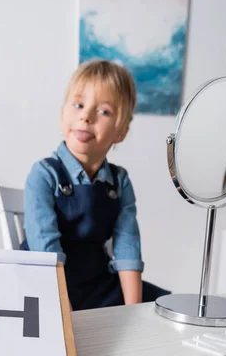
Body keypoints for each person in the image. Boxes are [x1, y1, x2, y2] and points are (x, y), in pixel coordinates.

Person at [21, 59, 169, 311]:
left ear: (120, 132)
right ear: (62, 116)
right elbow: (46, 252)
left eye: (103, 111)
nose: (85, 116)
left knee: (164, 305)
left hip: (95, 281)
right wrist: (64, 314)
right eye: (78, 105)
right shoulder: (44, 174)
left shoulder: (119, 182)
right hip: (46, 282)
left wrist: (132, 313)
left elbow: (127, 249)